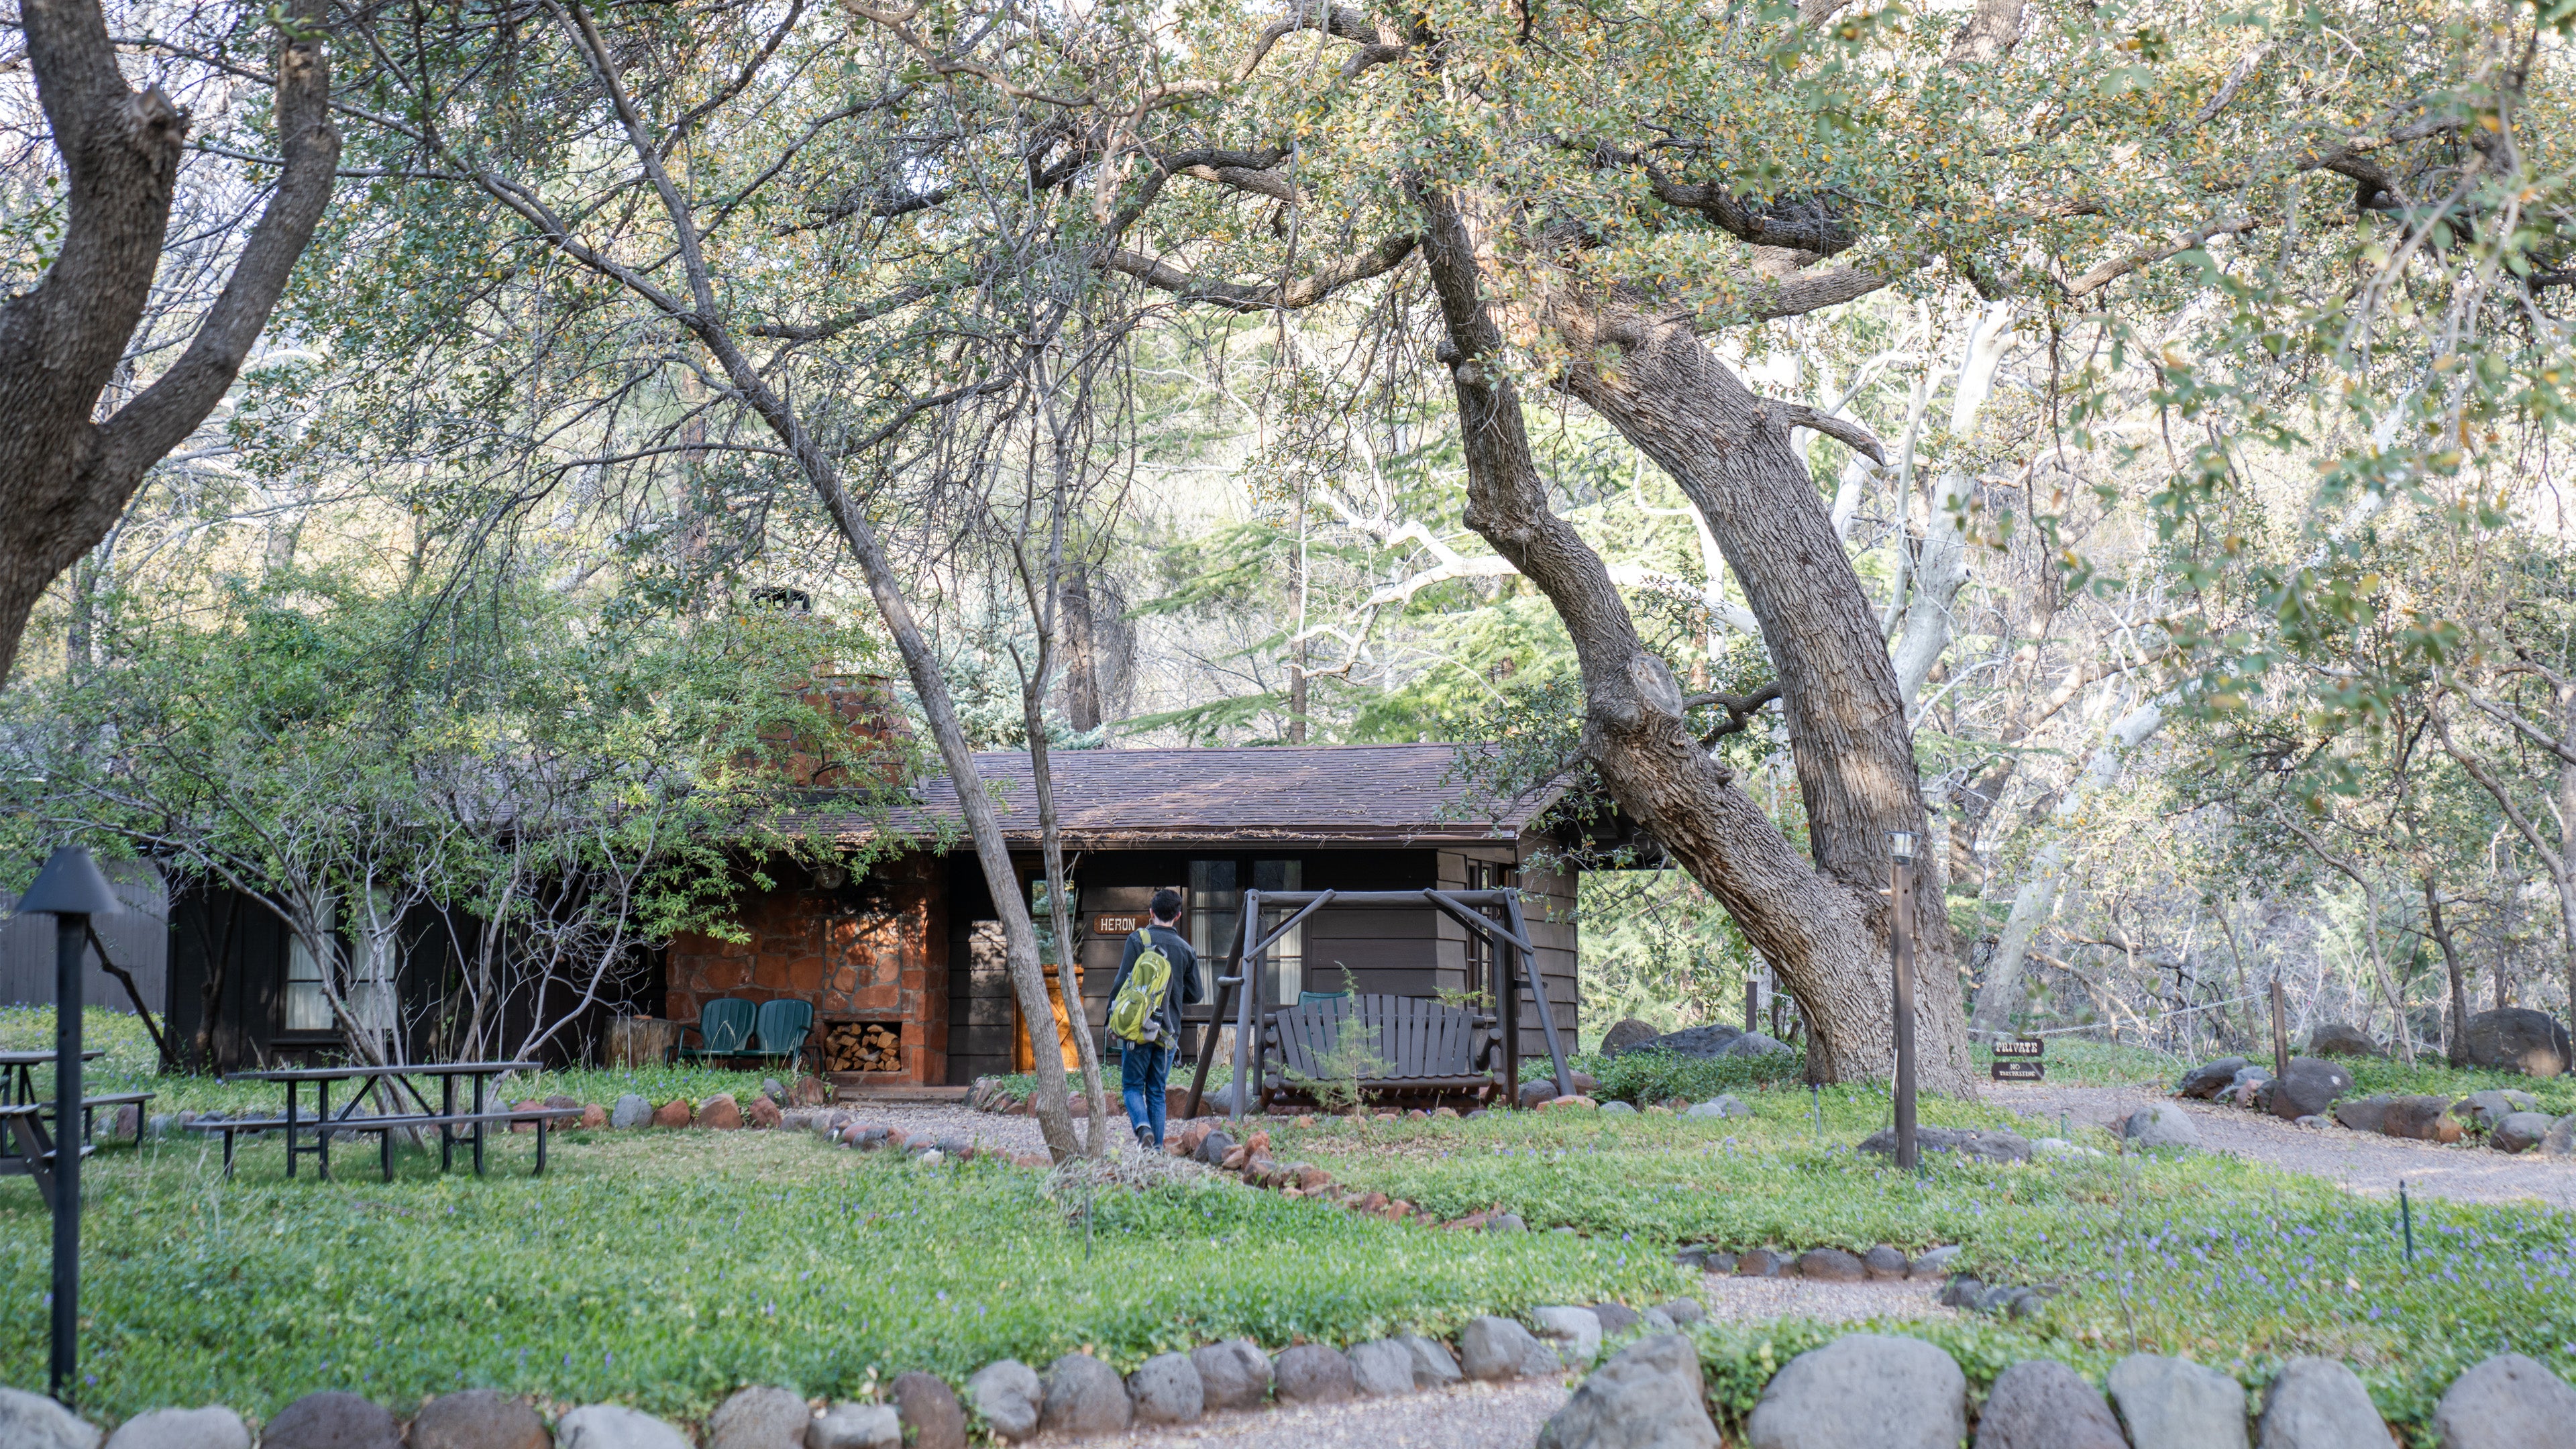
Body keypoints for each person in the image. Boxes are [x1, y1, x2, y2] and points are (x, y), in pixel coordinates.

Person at [1106, 887, 1202, 1149]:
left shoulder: (1138, 940)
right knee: (1157, 1092)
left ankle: (1143, 1127)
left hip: (1137, 1029)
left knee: (1132, 1087)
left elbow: (1121, 983)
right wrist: (1173, 994)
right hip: (1168, 1031)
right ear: (1178, 916)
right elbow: (1196, 994)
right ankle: (1156, 1152)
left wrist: (1111, 1019)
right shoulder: (1186, 950)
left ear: (1151, 912)